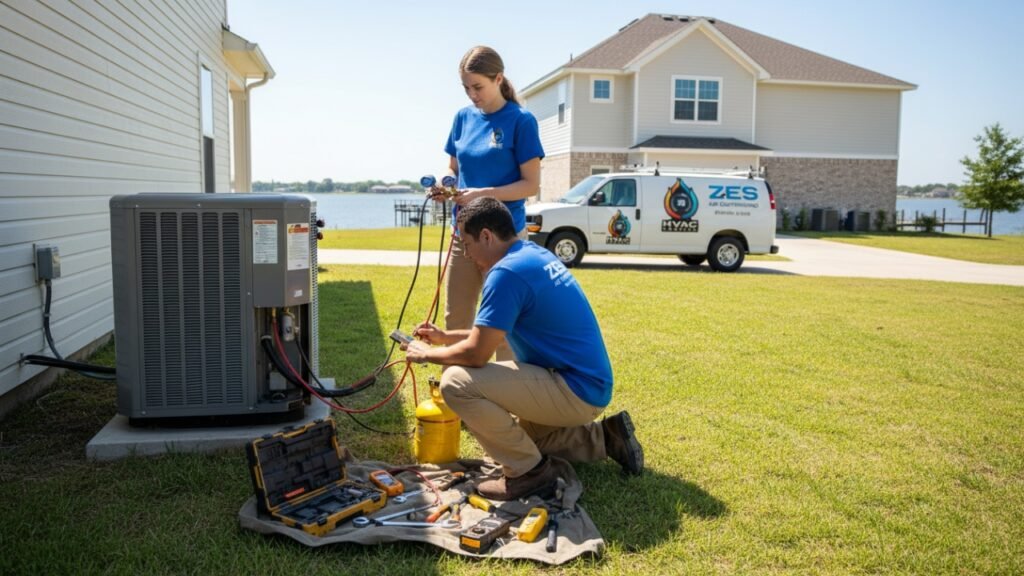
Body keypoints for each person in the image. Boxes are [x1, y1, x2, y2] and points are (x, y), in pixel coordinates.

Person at [403, 197, 644, 500]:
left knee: (456, 382)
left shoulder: (506, 274)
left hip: (574, 389)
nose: (466, 253)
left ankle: (529, 475)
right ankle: (607, 439)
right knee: (519, 441)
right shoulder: (530, 255)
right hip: (585, 386)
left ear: (487, 236)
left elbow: (477, 354)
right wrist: (444, 336)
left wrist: (425, 353)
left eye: (467, 244)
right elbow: (496, 334)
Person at [437, 46, 544, 361]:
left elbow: (531, 185)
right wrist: (448, 184)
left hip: (504, 240)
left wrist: (485, 194)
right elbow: (452, 168)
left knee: (504, 325)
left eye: (478, 87)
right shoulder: (462, 118)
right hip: (464, 236)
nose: (472, 94)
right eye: (466, 88)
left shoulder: (521, 121)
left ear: (498, 78)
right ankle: (452, 395)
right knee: (455, 317)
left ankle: (506, 396)